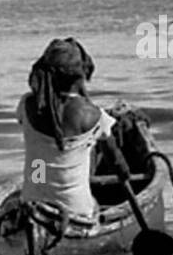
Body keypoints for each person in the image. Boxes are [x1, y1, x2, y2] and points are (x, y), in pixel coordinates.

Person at [17, 37, 115, 219]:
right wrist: (123, 174)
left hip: (33, 200)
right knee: (95, 204)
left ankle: (40, 199)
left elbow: (44, 151)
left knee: (40, 160)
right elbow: (117, 164)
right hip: (76, 209)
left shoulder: (27, 104)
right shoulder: (94, 115)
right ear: (81, 75)